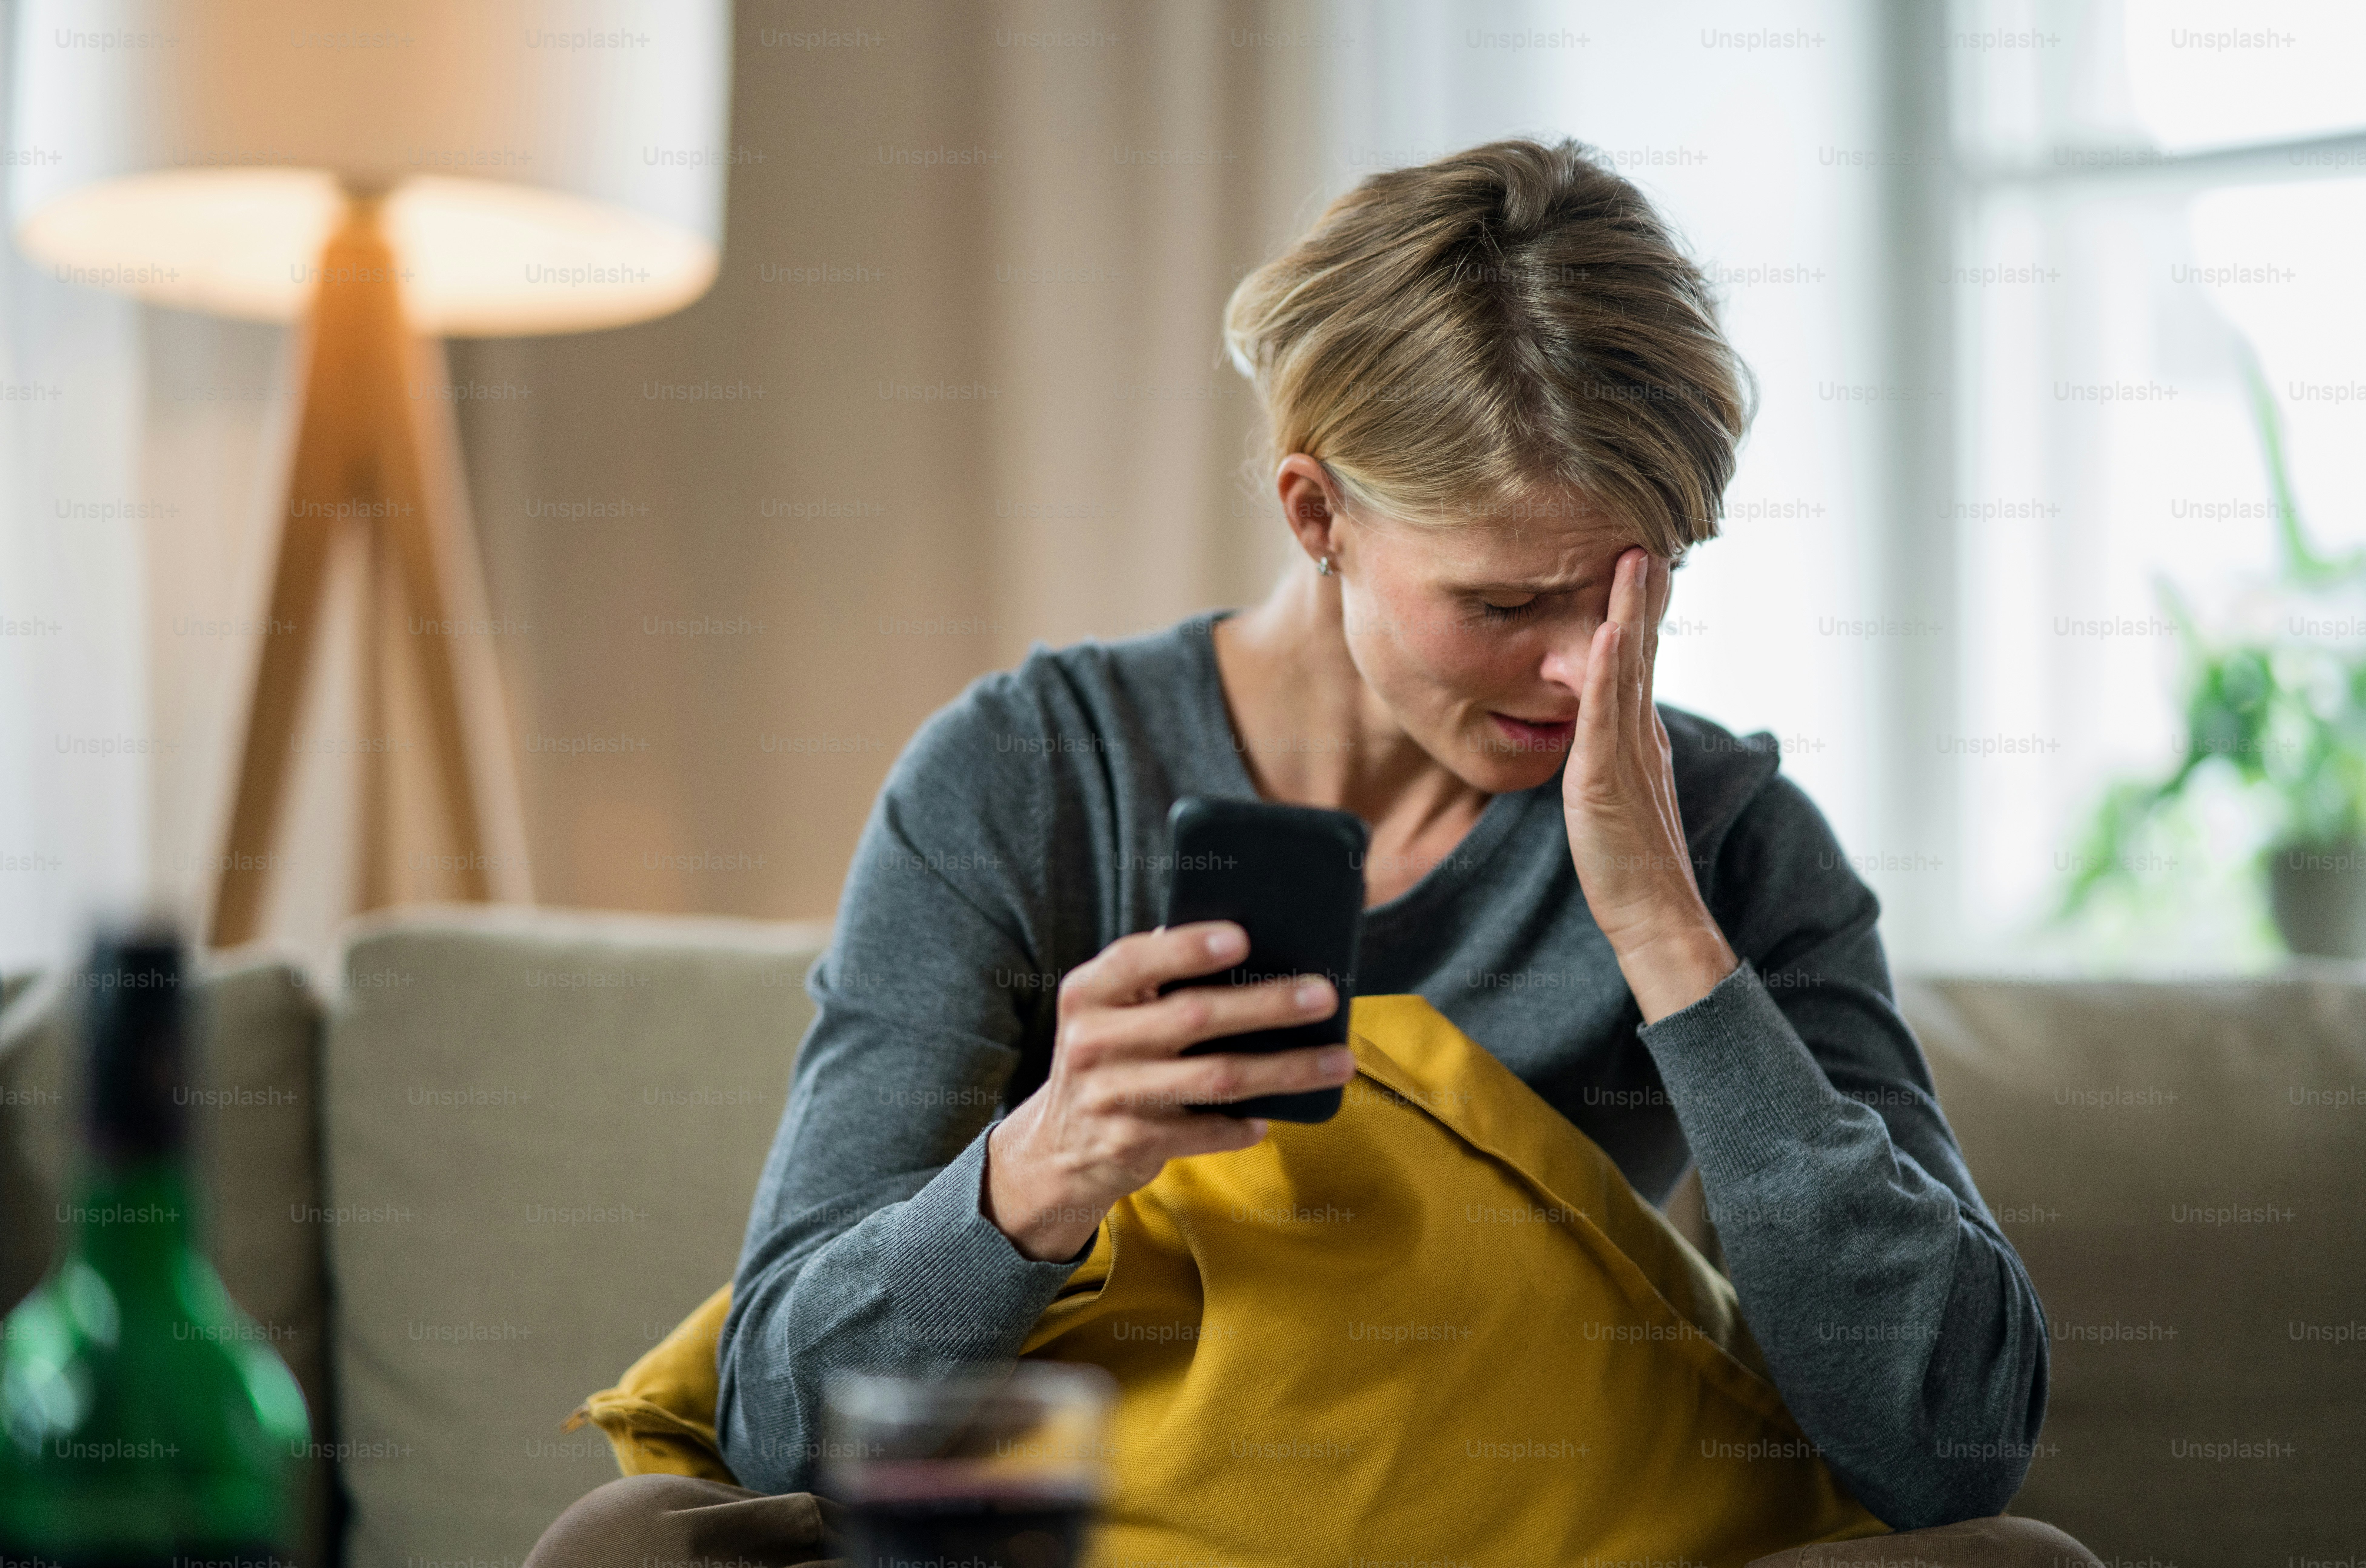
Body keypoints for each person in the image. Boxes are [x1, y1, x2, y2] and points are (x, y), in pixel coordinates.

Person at [530, 138, 2093, 1568]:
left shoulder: (1724, 840)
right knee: (630, 1540)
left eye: (1632, 592)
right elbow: (778, 1417)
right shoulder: (1027, 778)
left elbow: (1947, 1446)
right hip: (1076, 1515)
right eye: (1501, 605)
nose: (1578, 672)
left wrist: (1674, 942)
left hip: (1524, 1522)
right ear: (1314, 512)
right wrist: (1052, 1158)